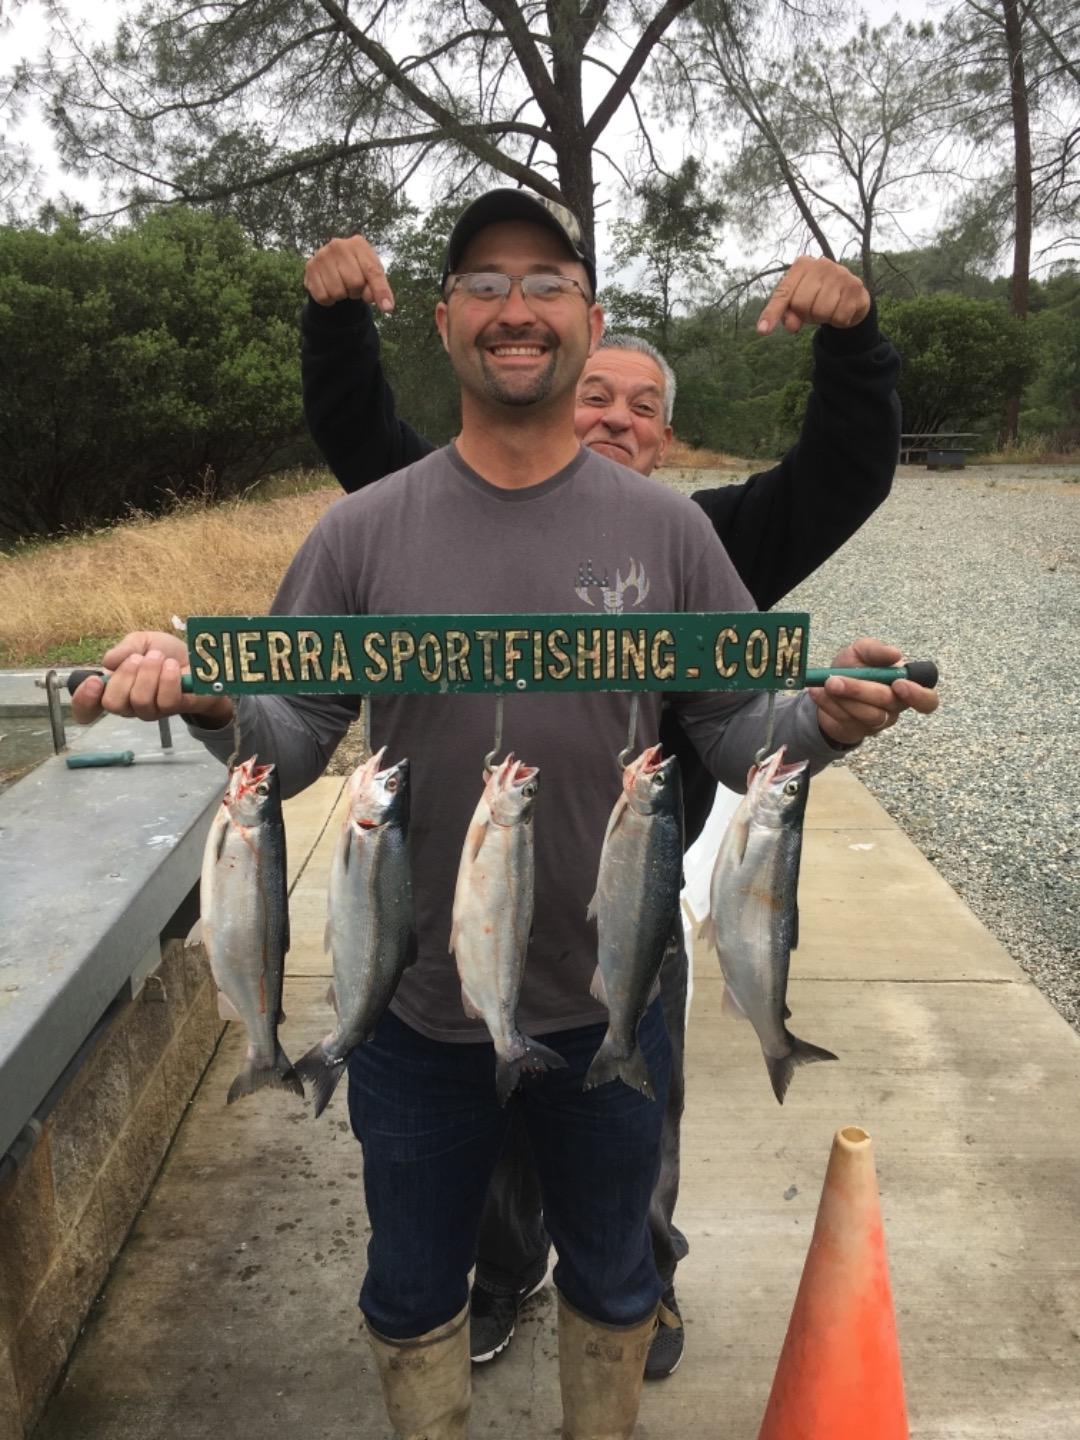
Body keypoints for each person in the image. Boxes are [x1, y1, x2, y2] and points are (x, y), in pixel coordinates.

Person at [73, 189, 937, 1440]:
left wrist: (829, 722)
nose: (515, 307)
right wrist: (211, 704)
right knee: (413, 1283)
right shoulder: (362, 531)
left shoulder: (671, 535)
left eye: (546, 282)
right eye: (484, 282)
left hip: (610, 1009)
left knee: (618, 1275)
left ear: (586, 319)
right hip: (413, 1009)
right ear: (444, 321)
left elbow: (745, 730)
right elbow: (294, 739)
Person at [298, 229, 907, 1377]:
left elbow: (841, 473)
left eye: (643, 407)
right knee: (476, 1145)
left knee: (628, 1141)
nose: (615, 418)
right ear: (556, 386)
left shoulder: (700, 535)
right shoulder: (422, 510)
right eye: (597, 396)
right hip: (447, 946)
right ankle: (500, 1271)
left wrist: (855, 342)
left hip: (618, 919)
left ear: (666, 437)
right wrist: (335, 321)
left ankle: (635, 1285)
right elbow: (359, 437)